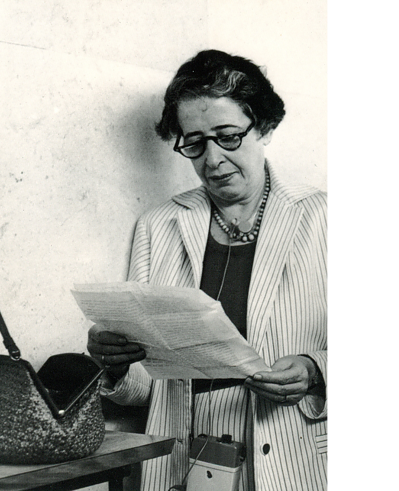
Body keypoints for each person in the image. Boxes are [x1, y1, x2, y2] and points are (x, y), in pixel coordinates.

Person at [87, 50, 329, 491]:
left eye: (228, 137)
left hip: (293, 462)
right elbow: (145, 388)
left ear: (264, 127)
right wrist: (116, 366)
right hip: (180, 463)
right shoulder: (158, 226)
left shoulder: (322, 217)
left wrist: (315, 372)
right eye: (195, 142)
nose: (212, 160)